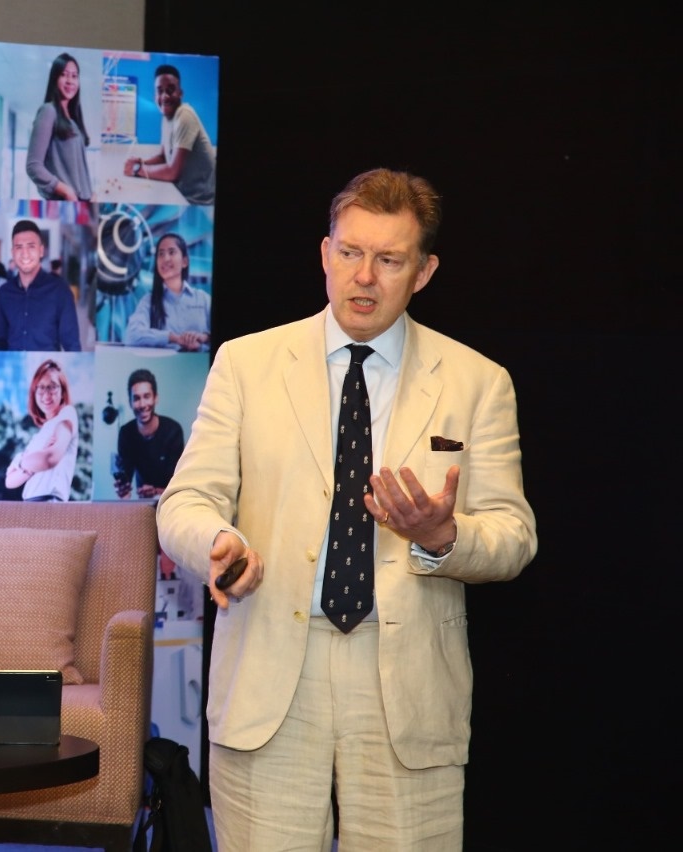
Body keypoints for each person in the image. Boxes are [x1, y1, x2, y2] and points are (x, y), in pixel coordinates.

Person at [157, 168, 537, 850]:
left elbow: (513, 537)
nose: (364, 276)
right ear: (325, 254)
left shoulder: (478, 382)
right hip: (271, 673)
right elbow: (185, 499)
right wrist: (218, 542)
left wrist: (443, 535)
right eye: (351, 252)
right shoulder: (247, 364)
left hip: (407, 689)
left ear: (423, 272)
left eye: (389, 260)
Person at [122, 64, 215, 205]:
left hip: (200, 203)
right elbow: (163, 157)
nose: (165, 96)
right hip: (181, 195)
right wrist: (141, 163)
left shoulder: (185, 115)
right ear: (155, 96)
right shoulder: (167, 118)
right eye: (160, 91)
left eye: (170, 90)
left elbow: (172, 172)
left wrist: (138, 170)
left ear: (180, 93)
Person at [0, 221, 81, 352]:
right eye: (19, 247)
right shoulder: (4, 292)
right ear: (13, 253)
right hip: (13, 364)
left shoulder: (60, 291)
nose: (25, 253)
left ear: (41, 251)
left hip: (46, 364)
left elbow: (72, 346)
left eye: (31, 246)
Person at [6, 359, 79, 501]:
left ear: (63, 391)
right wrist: (32, 463)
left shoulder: (67, 413)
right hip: (29, 503)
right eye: (41, 387)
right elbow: (9, 481)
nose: (46, 394)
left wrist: (22, 463)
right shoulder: (37, 437)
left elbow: (49, 458)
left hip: (49, 501)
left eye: (53, 387)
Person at [124, 233, 210, 350]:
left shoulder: (203, 299)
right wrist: (172, 338)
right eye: (161, 254)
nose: (165, 259)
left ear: (184, 262)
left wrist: (205, 338)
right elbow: (131, 335)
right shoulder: (149, 301)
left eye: (171, 252)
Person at [26, 53, 93, 201]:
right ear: (54, 78)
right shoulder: (48, 111)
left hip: (83, 202)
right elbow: (33, 166)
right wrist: (66, 191)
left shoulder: (73, 120)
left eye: (74, 76)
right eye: (64, 75)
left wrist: (91, 193)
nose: (70, 81)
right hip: (65, 201)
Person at [115, 368, 184, 499]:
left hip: (171, 502)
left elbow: (179, 484)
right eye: (136, 398)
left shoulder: (173, 430)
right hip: (143, 502)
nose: (142, 404)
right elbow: (126, 483)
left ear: (155, 398)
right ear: (130, 402)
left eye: (147, 396)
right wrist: (123, 490)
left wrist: (156, 491)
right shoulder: (126, 433)